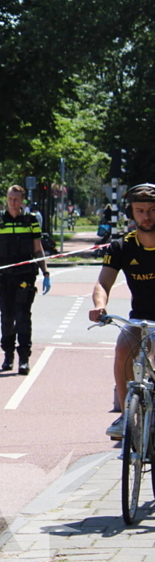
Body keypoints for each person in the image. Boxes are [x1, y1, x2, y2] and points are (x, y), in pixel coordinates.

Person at [88, 184, 155, 439]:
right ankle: (127, 414)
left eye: (152, 210)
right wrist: (99, 305)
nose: (146, 216)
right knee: (123, 349)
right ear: (132, 214)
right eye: (140, 211)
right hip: (140, 318)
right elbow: (103, 284)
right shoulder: (121, 247)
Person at [0, 185, 50, 374]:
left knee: (23, 317)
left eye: (16, 199)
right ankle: (8, 355)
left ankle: (24, 358)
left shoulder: (31, 220)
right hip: (4, 276)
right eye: (9, 199)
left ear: (22, 200)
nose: (12, 203)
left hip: (25, 275)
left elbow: (37, 249)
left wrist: (46, 273)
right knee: (7, 317)